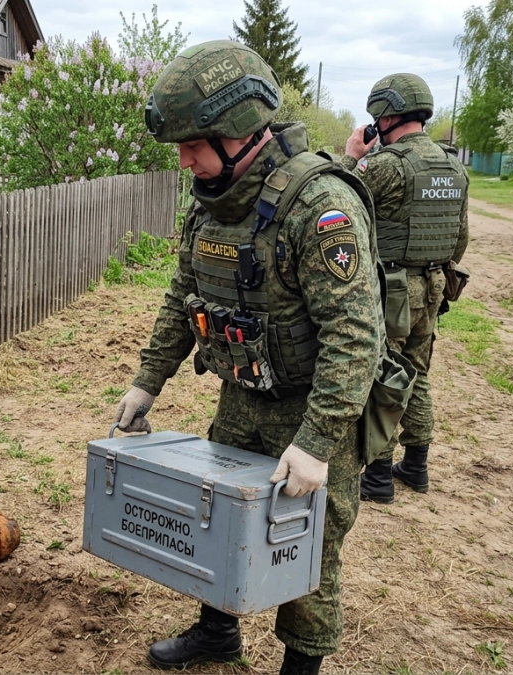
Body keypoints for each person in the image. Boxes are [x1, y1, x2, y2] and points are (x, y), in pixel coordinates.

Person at [112, 40, 384, 675]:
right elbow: (183, 296)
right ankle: (217, 633)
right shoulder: (209, 205)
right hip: (241, 394)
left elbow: (354, 336)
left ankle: (300, 667)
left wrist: (316, 442)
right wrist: (147, 383)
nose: (184, 160)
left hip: (311, 407)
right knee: (217, 520)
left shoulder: (319, 207)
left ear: (237, 131)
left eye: (192, 144)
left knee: (308, 546)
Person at [338, 73, 469, 504]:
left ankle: (377, 475)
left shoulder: (386, 165)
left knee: (385, 375)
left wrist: (351, 157)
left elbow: (335, 199)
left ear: (386, 116)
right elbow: (461, 238)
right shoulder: (453, 166)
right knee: (418, 370)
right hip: (436, 283)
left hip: (394, 287)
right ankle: (416, 465)